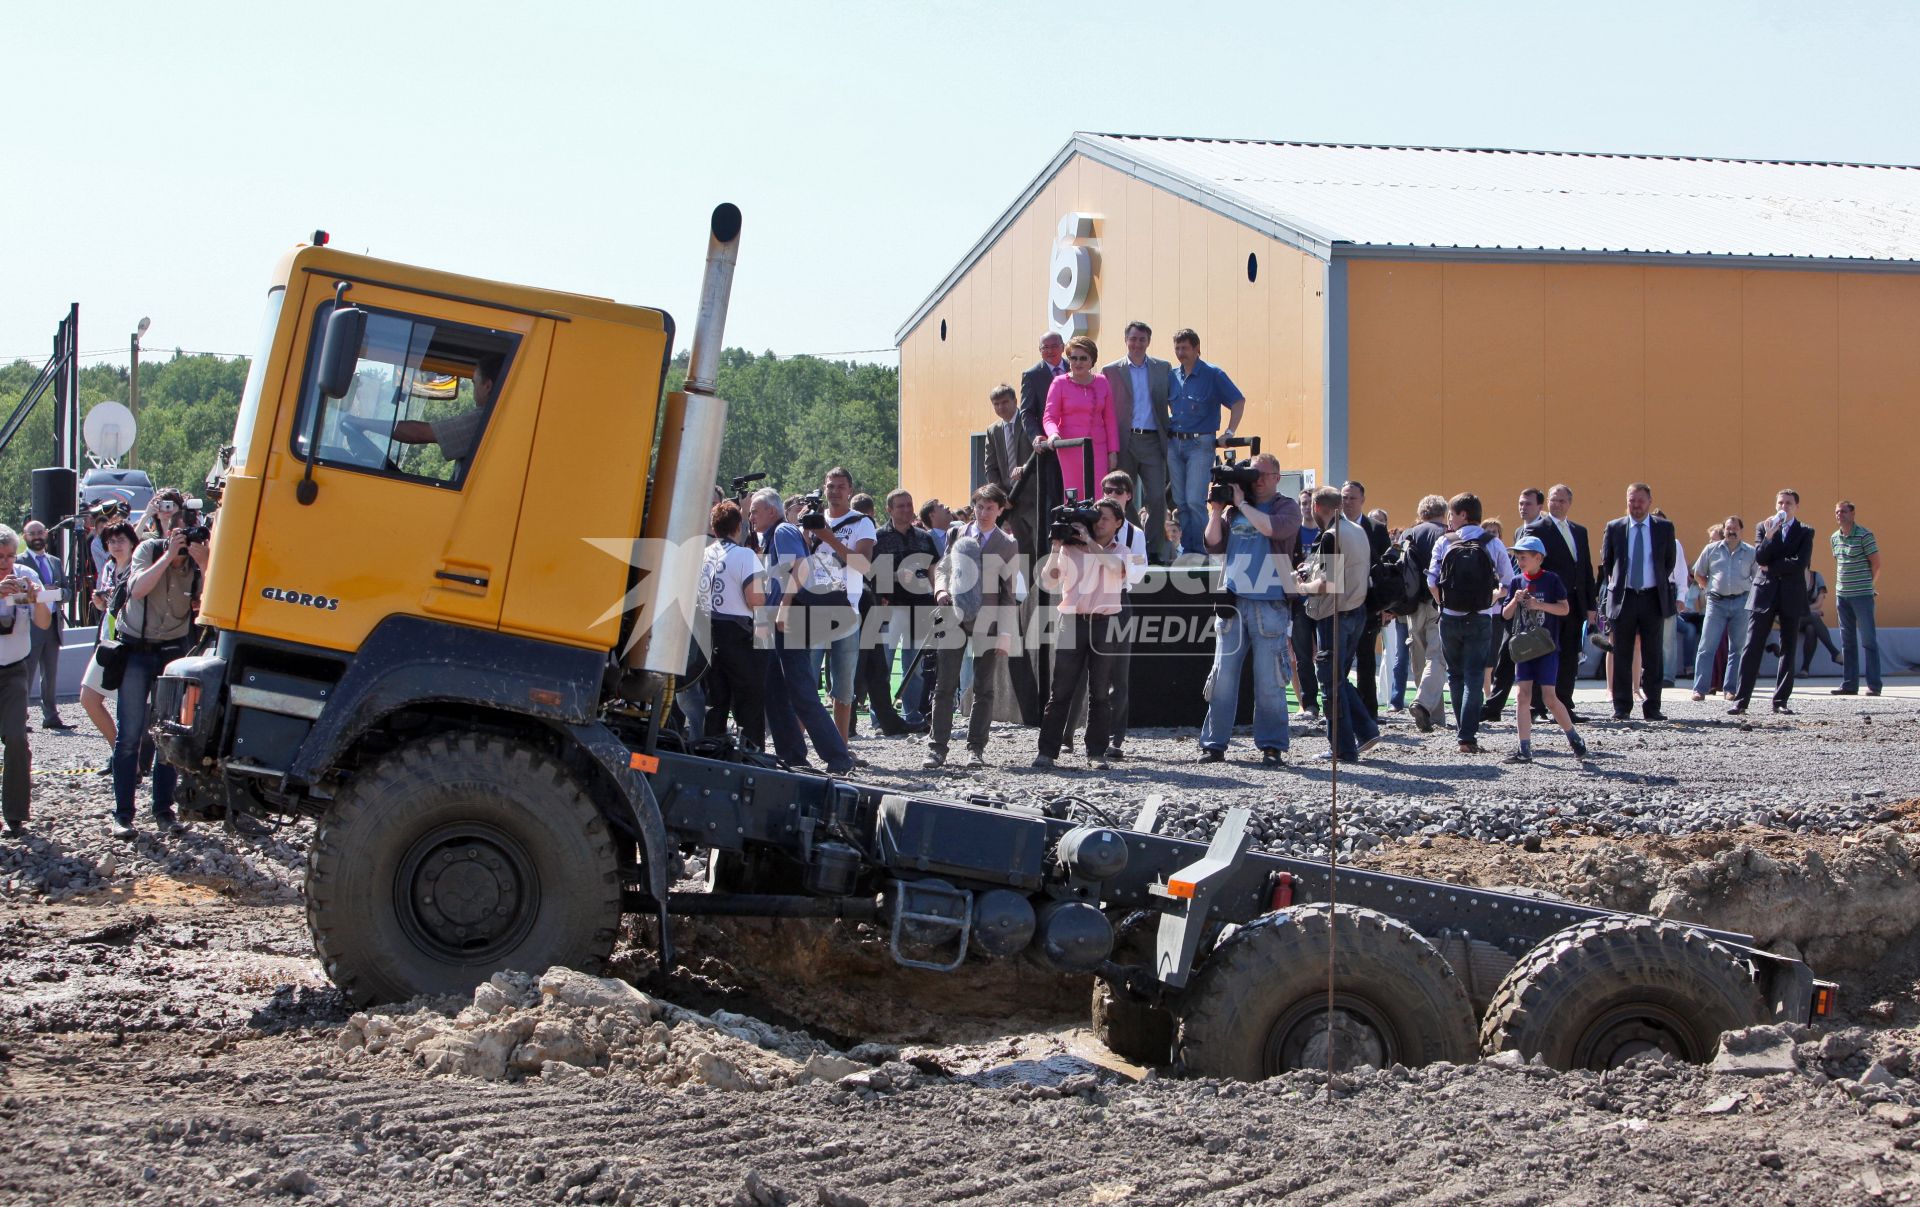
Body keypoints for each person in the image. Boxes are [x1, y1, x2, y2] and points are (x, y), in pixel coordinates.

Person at [111, 491, 208, 839]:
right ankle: (122, 814)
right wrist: (168, 558)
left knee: (168, 735)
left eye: (187, 535)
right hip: (137, 650)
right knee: (130, 735)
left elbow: (211, 605)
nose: (183, 543)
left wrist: (205, 563)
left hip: (172, 653)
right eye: (178, 536)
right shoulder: (148, 551)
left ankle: (163, 811)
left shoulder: (197, 565)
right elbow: (137, 589)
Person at [1197, 454, 1301, 767]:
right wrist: (1216, 511)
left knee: (1269, 679)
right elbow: (1212, 543)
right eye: (1252, 473)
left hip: (1270, 599)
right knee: (1223, 676)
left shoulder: (1287, 507)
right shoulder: (1233, 511)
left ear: (1277, 477)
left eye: (1262, 474)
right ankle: (1214, 744)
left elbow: (1273, 529)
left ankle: (1271, 746)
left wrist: (1242, 504)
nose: (1256, 479)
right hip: (1232, 599)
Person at [751, 489, 855, 775]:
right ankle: (793, 755)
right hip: (779, 620)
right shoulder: (774, 535)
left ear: (772, 511)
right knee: (774, 691)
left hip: (790, 618)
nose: (751, 517)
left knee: (801, 691)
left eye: (756, 511)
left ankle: (838, 757)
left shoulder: (782, 530)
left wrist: (784, 606)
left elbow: (801, 568)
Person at [924, 484, 1020, 769]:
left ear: (1000, 510)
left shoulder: (1007, 543)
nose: (983, 512)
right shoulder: (958, 532)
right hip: (954, 615)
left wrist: (1005, 632)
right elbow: (943, 567)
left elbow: (1009, 591)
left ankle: (975, 748)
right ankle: (937, 747)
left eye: (990, 507)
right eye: (979, 506)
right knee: (945, 684)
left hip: (988, 620)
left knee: (983, 687)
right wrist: (940, 590)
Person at [1034, 498, 1128, 769]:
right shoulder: (1069, 549)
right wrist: (1055, 546)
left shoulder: (1120, 549)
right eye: (1097, 517)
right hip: (1072, 620)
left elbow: (1116, 570)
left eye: (1106, 518)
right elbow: (1048, 581)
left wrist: (1088, 541)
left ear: (1118, 523)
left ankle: (1096, 753)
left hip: (1104, 622)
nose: (1099, 522)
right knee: (1060, 689)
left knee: (1099, 691)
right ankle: (1047, 752)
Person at [1069, 471, 1150, 759]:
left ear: (1128, 495)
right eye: (1106, 489)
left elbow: (1138, 573)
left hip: (1117, 598)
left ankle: (1115, 738)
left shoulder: (1134, 534)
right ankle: (1068, 734)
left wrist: (1112, 565)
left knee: (1118, 673)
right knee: (1075, 671)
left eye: (1117, 490)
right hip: (1085, 597)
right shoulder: (1086, 526)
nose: (1111, 493)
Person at [1427, 493, 1513, 755]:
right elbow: (1508, 581)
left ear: (1463, 515)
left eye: (1451, 514)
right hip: (1481, 616)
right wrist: (1493, 597)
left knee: (1455, 675)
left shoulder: (1445, 541)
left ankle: (1461, 731)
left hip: (1450, 618)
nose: (1449, 520)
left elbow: (1431, 581)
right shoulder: (1492, 542)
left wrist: (1445, 603)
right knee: (1475, 676)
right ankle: (1467, 736)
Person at [1301, 487, 1379, 764]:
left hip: (1335, 615)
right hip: (1356, 611)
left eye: (1311, 506)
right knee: (1339, 681)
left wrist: (1300, 585)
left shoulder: (1332, 535)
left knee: (1331, 686)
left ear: (1319, 507)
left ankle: (1343, 749)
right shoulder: (1358, 530)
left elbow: (1328, 583)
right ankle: (1366, 731)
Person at [1498, 536, 1590, 763]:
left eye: (1524, 557)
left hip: (1546, 647)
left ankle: (1574, 738)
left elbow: (1564, 609)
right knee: (1522, 695)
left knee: (1549, 697)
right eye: (1517, 557)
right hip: (1524, 648)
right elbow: (1505, 615)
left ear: (1538, 558)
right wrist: (1514, 601)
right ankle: (1524, 748)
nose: (1519, 561)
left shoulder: (1552, 580)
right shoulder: (1517, 582)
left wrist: (1539, 605)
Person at [801, 468, 875, 740]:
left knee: (844, 686)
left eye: (840, 486)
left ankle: (840, 746)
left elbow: (865, 565)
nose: (835, 491)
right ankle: (798, 749)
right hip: (813, 610)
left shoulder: (861, 523)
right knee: (805, 681)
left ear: (850, 490)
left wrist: (828, 537)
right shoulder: (809, 521)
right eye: (830, 486)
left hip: (846, 611)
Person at [1730, 489, 1814, 716]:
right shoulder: (1764, 527)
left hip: (1791, 594)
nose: (1783, 507)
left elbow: (1800, 562)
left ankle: (1780, 700)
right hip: (1764, 593)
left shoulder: (1805, 531)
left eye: (1788, 503)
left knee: (1788, 647)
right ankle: (1741, 700)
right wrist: (1768, 537)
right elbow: (1760, 558)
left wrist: (1773, 566)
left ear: (1796, 506)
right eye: (1780, 503)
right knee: (1752, 646)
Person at [1163, 329, 1246, 557]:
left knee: (1195, 500)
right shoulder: (1172, 375)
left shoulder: (1213, 374)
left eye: (1185, 348)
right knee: (1180, 501)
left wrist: (1229, 432)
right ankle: (1189, 550)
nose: (1181, 353)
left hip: (1201, 443)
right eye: (1177, 348)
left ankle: (1203, 551)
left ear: (1197, 348)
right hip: (1174, 443)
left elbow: (1238, 401)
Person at [1598, 484, 1677, 722]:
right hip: (1625, 597)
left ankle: (1652, 707)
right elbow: (1607, 561)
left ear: (1650, 501)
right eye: (1632, 501)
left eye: (1641, 501)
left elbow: (1668, 562)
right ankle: (1622, 707)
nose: (1636, 506)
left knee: (1653, 655)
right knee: (1622, 653)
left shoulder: (1664, 527)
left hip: (1652, 597)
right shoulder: (1615, 527)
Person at [696, 500, 767, 752]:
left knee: (715, 699)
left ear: (713, 528)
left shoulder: (703, 554)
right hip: (736, 633)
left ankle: (710, 749)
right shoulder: (745, 555)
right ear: (739, 526)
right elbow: (755, 599)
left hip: (707, 630)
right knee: (749, 697)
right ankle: (751, 752)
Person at [1523, 484, 1598, 721]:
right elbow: (1530, 565)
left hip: (1574, 602)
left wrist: (1591, 605)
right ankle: (1537, 706)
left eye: (1562, 501)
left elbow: (1585, 568)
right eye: (1553, 500)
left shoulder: (1579, 531)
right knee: (1542, 649)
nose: (1557, 504)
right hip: (1547, 600)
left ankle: (1564, 704)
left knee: (1569, 654)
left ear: (1570, 503)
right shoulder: (1538, 529)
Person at [868, 488, 940, 733]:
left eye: (909, 505)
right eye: (900, 506)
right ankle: (880, 718)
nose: (907, 510)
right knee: (884, 665)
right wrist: (894, 577)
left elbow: (934, 568)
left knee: (915, 666)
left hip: (920, 607)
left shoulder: (924, 537)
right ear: (889, 509)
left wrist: (936, 593)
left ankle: (912, 715)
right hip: (890, 607)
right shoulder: (877, 538)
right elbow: (869, 572)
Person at [1102, 321, 1174, 564]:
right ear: (1126, 340)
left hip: (1153, 439)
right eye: (1133, 339)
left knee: (1157, 497)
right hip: (1125, 440)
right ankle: (1133, 544)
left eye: (1142, 339)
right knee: (1123, 496)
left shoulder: (1162, 368)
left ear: (1148, 342)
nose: (1137, 344)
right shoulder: (1110, 371)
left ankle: (1153, 550)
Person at [0, 526, 56, 838]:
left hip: (14, 669)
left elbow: (44, 624)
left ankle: (15, 814)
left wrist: (36, 600)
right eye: (0, 558)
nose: (6, 563)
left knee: (16, 738)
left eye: (10, 555)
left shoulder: (24, 573)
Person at [1486, 491, 1547, 724]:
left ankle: (1537, 705)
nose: (1522, 507)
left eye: (1528, 504)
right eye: (1520, 503)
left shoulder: (1544, 529)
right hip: (1516, 606)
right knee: (1506, 658)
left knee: (1535, 658)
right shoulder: (1520, 531)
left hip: (1537, 609)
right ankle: (1495, 706)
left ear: (1539, 506)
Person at [79, 520, 139, 750]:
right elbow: (107, 607)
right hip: (109, 640)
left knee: (131, 708)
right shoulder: (108, 568)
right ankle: (117, 750)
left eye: (121, 540)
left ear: (132, 543)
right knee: (88, 697)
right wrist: (99, 602)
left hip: (132, 641)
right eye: (111, 541)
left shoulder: (139, 567)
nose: (116, 545)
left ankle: (131, 759)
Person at [389, 354, 503, 469]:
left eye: (474, 383)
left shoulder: (485, 420)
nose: (474, 391)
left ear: (487, 386)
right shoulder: (498, 417)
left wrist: (371, 424)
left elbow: (419, 433)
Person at [1040, 336, 1117, 503]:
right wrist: (1053, 434)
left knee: (1098, 494)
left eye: (1083, 358)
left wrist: (1113, 452)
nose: (1078, 362)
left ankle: (1097, 529)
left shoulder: (1102, 382)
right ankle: (1074, 529)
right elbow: (1049, 417)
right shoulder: (1059, 383)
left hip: (1098, 447)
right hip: (1069, 446)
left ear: (1092, 361)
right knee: (1073, 494)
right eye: (1073, 358)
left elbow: (1110, 419)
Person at [1691, 517, 1755, 702]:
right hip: (1716, 603)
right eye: (1728, 528)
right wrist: (1709, 590)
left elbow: (1757, 578)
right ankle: (1699, 689)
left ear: (1741, 531)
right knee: (1706, 647)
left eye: (1734, 528)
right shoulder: (1711, 549)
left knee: (1737, 649)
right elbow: (1699, 573)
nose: (1731, 531)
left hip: (1741, 603)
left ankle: (1730, 689)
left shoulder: (1750, 552)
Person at [1341, 482, 1391, 720]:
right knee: (1340, 660)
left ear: (1362, 500)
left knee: (1366, 659)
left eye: (1352, 498)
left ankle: (1368, 712)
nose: (1347, 502)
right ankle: (1342, 709)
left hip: (1368, 603)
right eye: (1344, 497)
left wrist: (1387, 606)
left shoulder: (1376, 529)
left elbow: (1387, 570)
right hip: (1339, 602)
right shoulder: (1334, 525)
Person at [1401, 495, 1451, 734]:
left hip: (1411, 605)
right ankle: (1423, 703)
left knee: (1419, 658)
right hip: (1437, 602)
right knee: (1437, 657)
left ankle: (1433, 715)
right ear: (1444, 511)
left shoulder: (1408, 534)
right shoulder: (1446, 534)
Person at [18, 521, 71, 729]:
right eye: (32, 534)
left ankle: (51, 716)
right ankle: (19, 718)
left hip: (53, 624)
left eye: (40, 532)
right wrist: (39, 593)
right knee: (26, 674)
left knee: (50, 674)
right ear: (25, 537)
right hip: (30, 626)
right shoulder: (19, 563)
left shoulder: (55, 561)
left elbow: (67, 591)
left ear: (47, 534)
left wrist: (56, 593)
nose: (37, 536)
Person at [1829, 501, 1883, 696]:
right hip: (1842, 596)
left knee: (1868, 639)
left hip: (1862, 595)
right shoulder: (1835, 538)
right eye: (1837, 512)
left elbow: (1876, 564)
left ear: (1853, 513)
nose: (1839, 515)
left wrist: (1870, 586)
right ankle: (1849, 684)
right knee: (1847, 641)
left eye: (1843, 511)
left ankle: (1874, 685)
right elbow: (1839, 563)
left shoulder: (1864, 535)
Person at [1289, 487, 1323, 722]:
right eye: (1302, 503)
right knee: (1301, 656)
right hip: (1300, 603)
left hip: (1324, 601)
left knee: (1326, 654)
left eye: (1310, 503)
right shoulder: (1293, 533)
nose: (1306, 508)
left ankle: (1332, 701)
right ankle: (1309, 703)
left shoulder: (1327, 533)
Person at [982, 385, 1034, 498]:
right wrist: (1001, 496)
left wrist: (1026, 467)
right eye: (996, 404)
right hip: (1008, 499)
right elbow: (990, 467)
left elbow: (1040, 452)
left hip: (1033, 494)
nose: (1000, 407)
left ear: (1015, 401)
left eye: (1005, 402)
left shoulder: (1030, 422)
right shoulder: (992, 431)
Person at [1799, 566, 1842, 674]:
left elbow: (1819, 603)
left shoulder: (1816, 576)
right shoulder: (1790, 577)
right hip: (1793, 618)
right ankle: (1834, 652)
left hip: (1808, 617)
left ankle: (1805, 669)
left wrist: (1807, 612)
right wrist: (1810, 612)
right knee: (1814, 617)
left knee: (1811, 629)